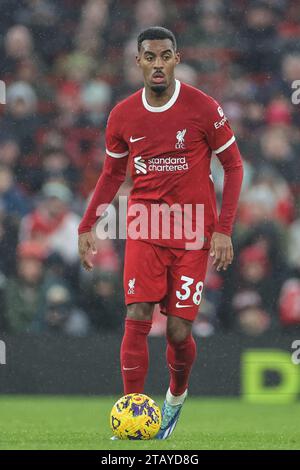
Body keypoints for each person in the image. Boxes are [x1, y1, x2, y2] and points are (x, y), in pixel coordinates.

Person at [78, 26, 243, 439]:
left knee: (178, 331)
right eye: (149, 57)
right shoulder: (122, 115)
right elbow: (112, 174)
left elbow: (234, 167)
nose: (157, 64)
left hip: (193, 233)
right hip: (145, 227)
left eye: (164, 56)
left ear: (176, 58)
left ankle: (175, 397)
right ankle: (132, 414)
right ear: (138, 61)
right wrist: (88, 224)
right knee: (136, 315)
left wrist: (224, 230)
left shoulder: (203, 108)